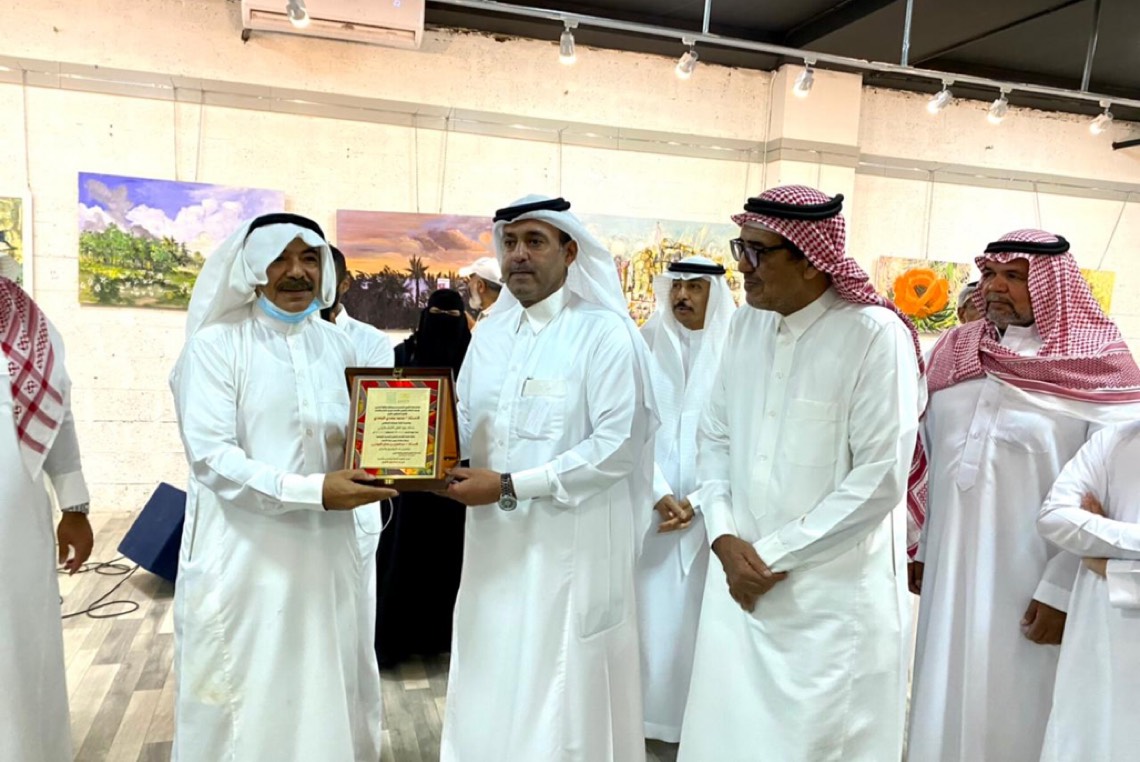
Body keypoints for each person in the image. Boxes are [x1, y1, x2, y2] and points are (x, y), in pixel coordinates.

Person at [678, 185, 922, 762]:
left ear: (812, 260)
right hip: (737, 584)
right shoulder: (746, 326)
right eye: (740, 248)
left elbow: (879, 480)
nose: (743, 267)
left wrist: (767, 557)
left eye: (757, 253)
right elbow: (714, 437)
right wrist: (723, 535)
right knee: (727, 737)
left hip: (826, 604)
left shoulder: (873, 336)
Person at [168, 213, 395, 762]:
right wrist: (313, 492)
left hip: (331, 553)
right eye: (279, 259)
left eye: (309, 259)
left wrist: (404, 460)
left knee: (329, 678)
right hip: (247, 557)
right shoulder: (216, 346)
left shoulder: (340, 347)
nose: (296, 272)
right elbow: (212, 459)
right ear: (251, 267)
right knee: (251, 690)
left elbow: (368, 439)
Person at [907, 229, 1140, 762]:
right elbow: (928, 456)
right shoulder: (955, 353)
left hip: (1033, 580)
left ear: (1054, 286)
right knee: (941, 692)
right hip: (948, 570)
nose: (995, 287)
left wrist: (1061, 589)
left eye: (1014, 276)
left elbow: (1111, 495)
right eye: (990, 274)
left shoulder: (1101, 368)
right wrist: (922, 545)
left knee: (1021, 709)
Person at [441, 195, 659, 762]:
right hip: (492, 549)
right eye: (510, 242)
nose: (518, 255)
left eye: (535, 242)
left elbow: (617, 448)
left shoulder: (605, 333)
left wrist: (509, 486)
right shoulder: (489, 336)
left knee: (558, 691)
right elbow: (462, 422)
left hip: (569, 550)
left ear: (569, 251)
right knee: (490, 670)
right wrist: (417, 453)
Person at [634, 255, 735, 743]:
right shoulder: (645, 343)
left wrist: (697, 499)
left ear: (716, 294)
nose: (683, 296)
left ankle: (697, 727)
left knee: (700, 621)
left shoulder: (737, 348)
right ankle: (644, 719)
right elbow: (629, 427)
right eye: (677, 286)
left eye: (696, 287)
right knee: (649, 617)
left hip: (713, 513)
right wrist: (657, 492)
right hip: (649, 512)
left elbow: (741, 438)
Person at [1, 269, 93, 762]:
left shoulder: (26, 323)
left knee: (19, 645)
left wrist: (74, 506)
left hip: (15, 526)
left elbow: (59, 417)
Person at [374, 288, 471, 668]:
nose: (443, 324)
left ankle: (442, 639)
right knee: (403, 558)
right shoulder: (402, 355)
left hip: (458, 478)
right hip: (408, 479)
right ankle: (397, 641)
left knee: (450, 560)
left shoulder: (477, 358)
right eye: (436, 315)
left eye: (451, 317)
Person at [1036, 424, 1140, 761]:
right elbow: (1053, 518)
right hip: (1099, 647)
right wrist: (1122, 544)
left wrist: (1106, 561)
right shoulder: (1114, 440)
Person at [322, 245, 395, 367]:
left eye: (324, 283)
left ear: (344, 284)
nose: (315, 291)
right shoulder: (286, 337)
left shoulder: (373, 342)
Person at [392, 289, 471, 369]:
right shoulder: (403, 354)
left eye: (452, 313)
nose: (443, 318)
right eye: (436, 312)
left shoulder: (474, 353)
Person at [459, 256, 503, 324]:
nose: (468, 284)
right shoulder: (504, 315)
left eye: (471, 278)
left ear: (480, 286)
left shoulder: (494, 321)